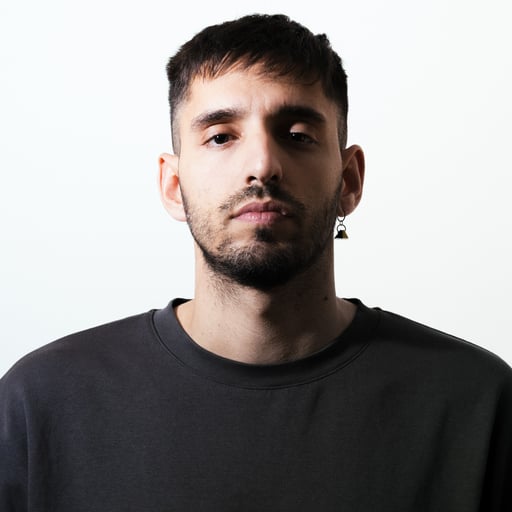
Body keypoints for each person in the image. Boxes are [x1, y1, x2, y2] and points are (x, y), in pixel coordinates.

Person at [1, 13, 511, 511]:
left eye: (297, 135)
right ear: (173, 186)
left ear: (349, 180)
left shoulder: (477, 402)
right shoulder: (40, 402)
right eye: (221, 136)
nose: (263, 165)